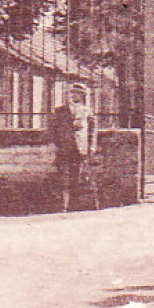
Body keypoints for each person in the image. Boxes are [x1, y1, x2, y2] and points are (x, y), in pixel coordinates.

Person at [50, 84, 95, 212]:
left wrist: (91, 147)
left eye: (77, 93)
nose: (74, 96)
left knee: (77, 176)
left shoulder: (87, 111)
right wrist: (54, 145)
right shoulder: (60, 111)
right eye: (72, 93)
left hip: (80, 148)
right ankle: (63, 205)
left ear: (82, 96)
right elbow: (53, 129)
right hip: (64, 147)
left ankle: (74, 205)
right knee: (63, 177)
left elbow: (92, 131)